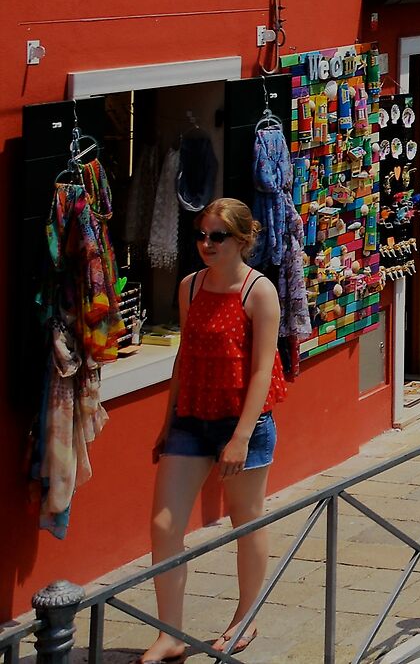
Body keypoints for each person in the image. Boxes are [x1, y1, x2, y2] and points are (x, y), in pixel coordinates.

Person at [143, 199, 284, 662]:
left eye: (217, 236)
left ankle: (246, 616)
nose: (206, 243)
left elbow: (262, 370)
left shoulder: (259, 292)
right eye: (201, 235)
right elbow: (184, 357)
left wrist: (240, 437)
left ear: (242, 239)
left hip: (242, 423)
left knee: (247, 520)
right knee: (164, 524)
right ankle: (170, 633)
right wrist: (167, 423)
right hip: (191, 418)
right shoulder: (190, 286)